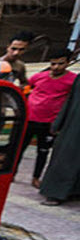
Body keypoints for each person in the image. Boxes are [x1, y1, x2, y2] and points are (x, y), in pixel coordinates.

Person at [15, 49, 76, 188]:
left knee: (43, 151)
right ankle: (12, 174)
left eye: (60, 64)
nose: (56, 67)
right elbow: (26, 87)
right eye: (53, 64)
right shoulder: (39, 76)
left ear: (68, 63)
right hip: (29, 119)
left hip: (49, 123)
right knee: (19, 148)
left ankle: (36, 178)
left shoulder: (72, 80)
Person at [39, 73, 80, 206]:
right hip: (74, 126)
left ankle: (74, 191)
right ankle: (56, 193)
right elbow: (69, 102)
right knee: (67, 158)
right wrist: (58, 123)